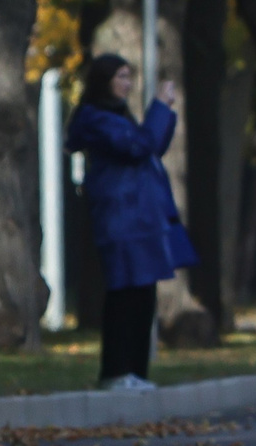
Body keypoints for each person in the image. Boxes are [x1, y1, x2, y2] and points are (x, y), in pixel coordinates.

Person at [68, 52, 199, 390]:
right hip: (121, 218)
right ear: (104, 80)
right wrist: (158, 107)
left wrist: (163, 112)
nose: (127, 84)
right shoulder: (95, 118)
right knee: (125, 295)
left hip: (139, 217)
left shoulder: (118, 116)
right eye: (121, 77)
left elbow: (151, 145)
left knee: (143, 294)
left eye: (129, 77)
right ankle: (116, 371)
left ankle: (136, 373)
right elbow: (140, 146)